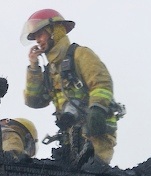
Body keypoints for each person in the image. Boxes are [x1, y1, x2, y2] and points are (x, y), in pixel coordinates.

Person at [21, 8, 121, 166]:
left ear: (54, 31)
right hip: (72, 137)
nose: (38, 41)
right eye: (35, 37)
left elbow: (101, 83)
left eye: (40, 34)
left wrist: (97, 109)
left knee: (92, 173)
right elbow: (34, 101)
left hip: (96, 133)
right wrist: (34, 67)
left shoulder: (80, 54)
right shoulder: (51, 70)